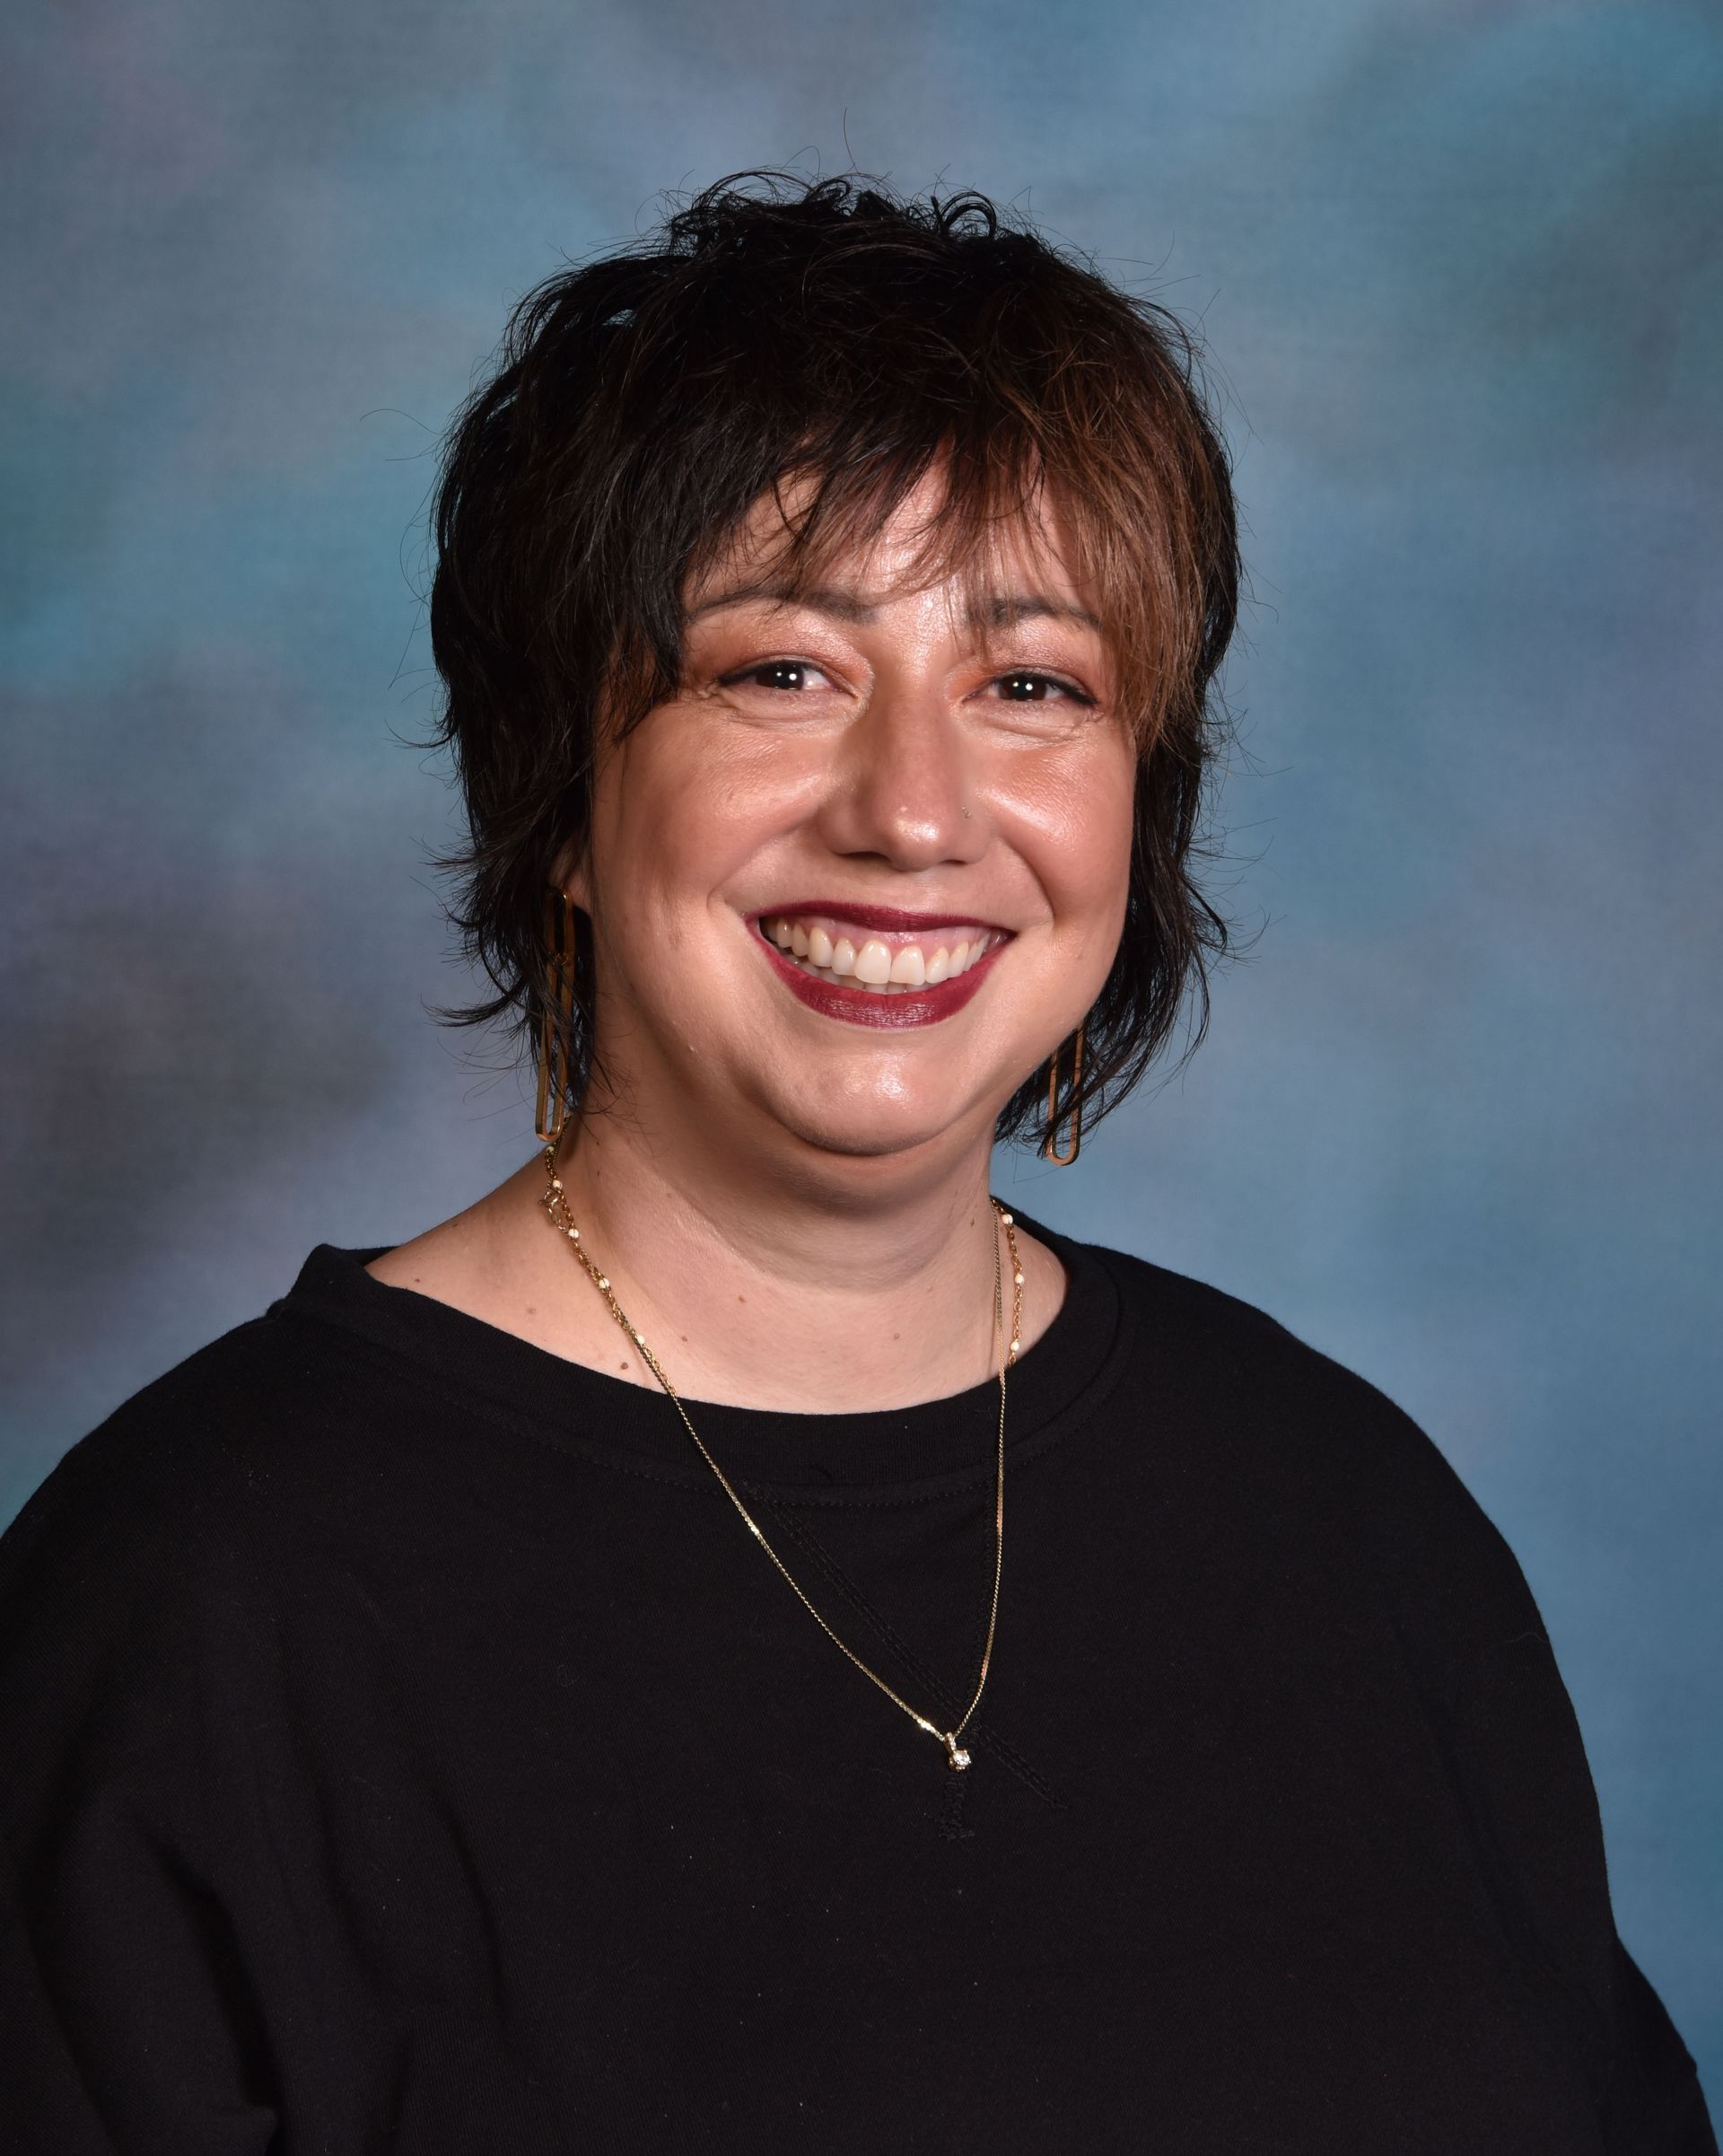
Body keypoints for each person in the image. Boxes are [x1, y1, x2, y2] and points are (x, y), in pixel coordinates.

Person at [0, 171, 1712, 2155]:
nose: (915, 813)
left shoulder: (1359, 1525)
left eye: (1034, 685)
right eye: (780, 670)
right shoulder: (190, 1617)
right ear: (560, 789)